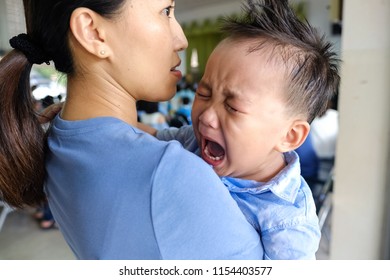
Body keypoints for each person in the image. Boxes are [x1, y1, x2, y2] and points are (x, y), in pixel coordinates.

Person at [0, 0, 263, 259]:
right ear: (93, 32)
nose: (182, 39)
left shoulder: (56, 139)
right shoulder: (169, 173)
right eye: (165, 11)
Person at [139, 0, 340, 259]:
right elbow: (150, 137)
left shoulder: (287, 222)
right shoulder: (193, 141)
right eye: (204, 93)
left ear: (288, 136)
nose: (207, 116)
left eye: (232, 107)